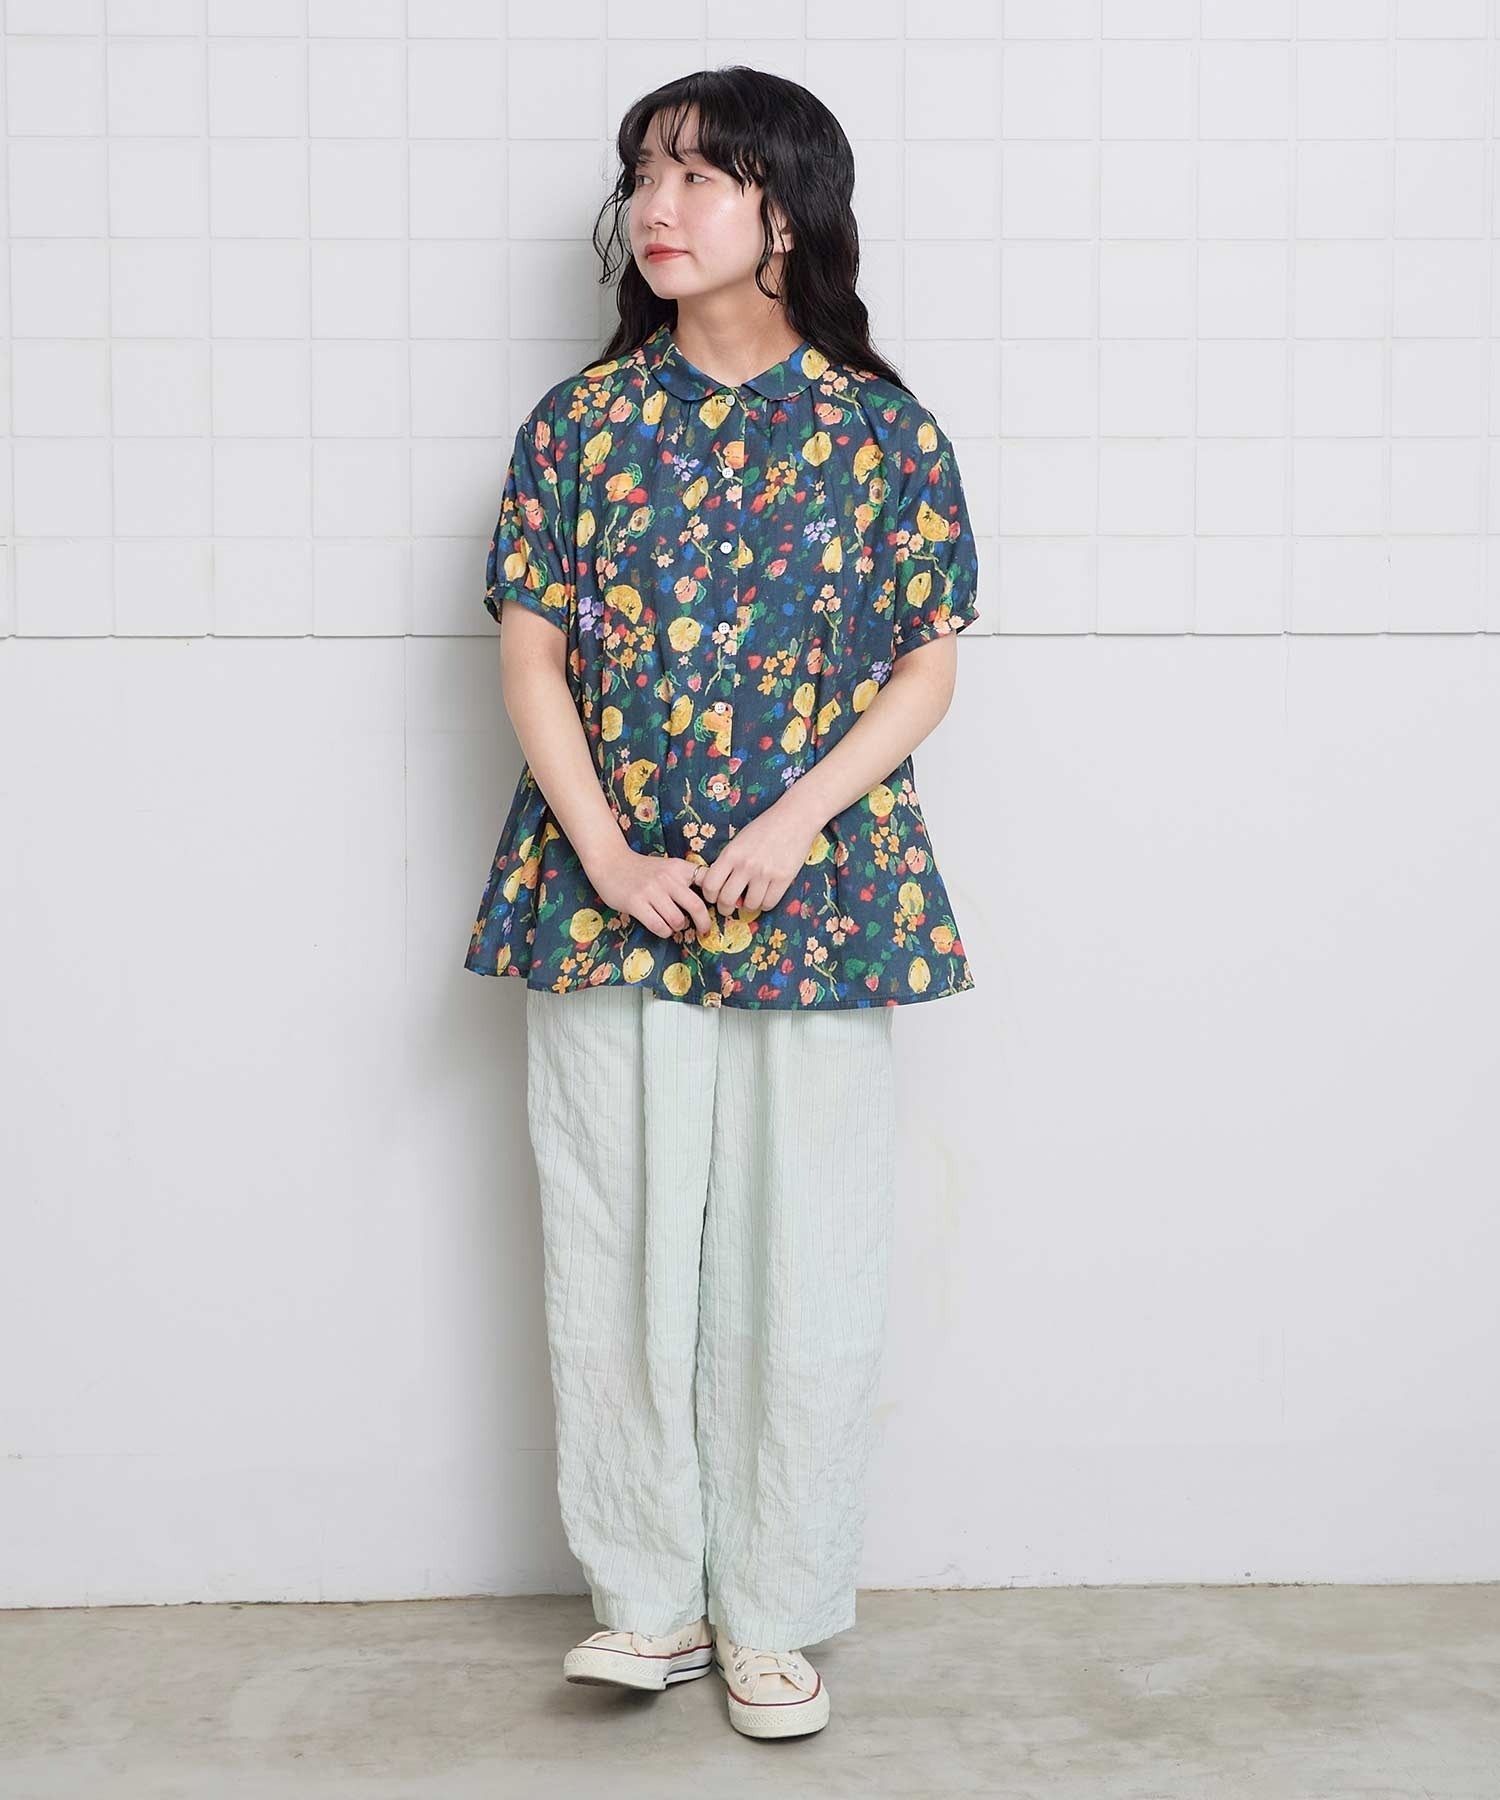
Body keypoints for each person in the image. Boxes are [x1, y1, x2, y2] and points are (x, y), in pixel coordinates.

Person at [464, 67, 980, 1742]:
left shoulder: (883, 432)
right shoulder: (580, 426)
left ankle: (774, 1614)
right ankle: (647, 1604)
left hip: (816, 897)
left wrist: (796, 820)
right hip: (603, 892)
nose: (658, 206)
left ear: (789, 209)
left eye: (699, 174)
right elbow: (531, 657)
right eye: (644, 175)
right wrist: (610, 854)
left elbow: (924, 668)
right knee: (612, 1246)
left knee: (802, 1261)